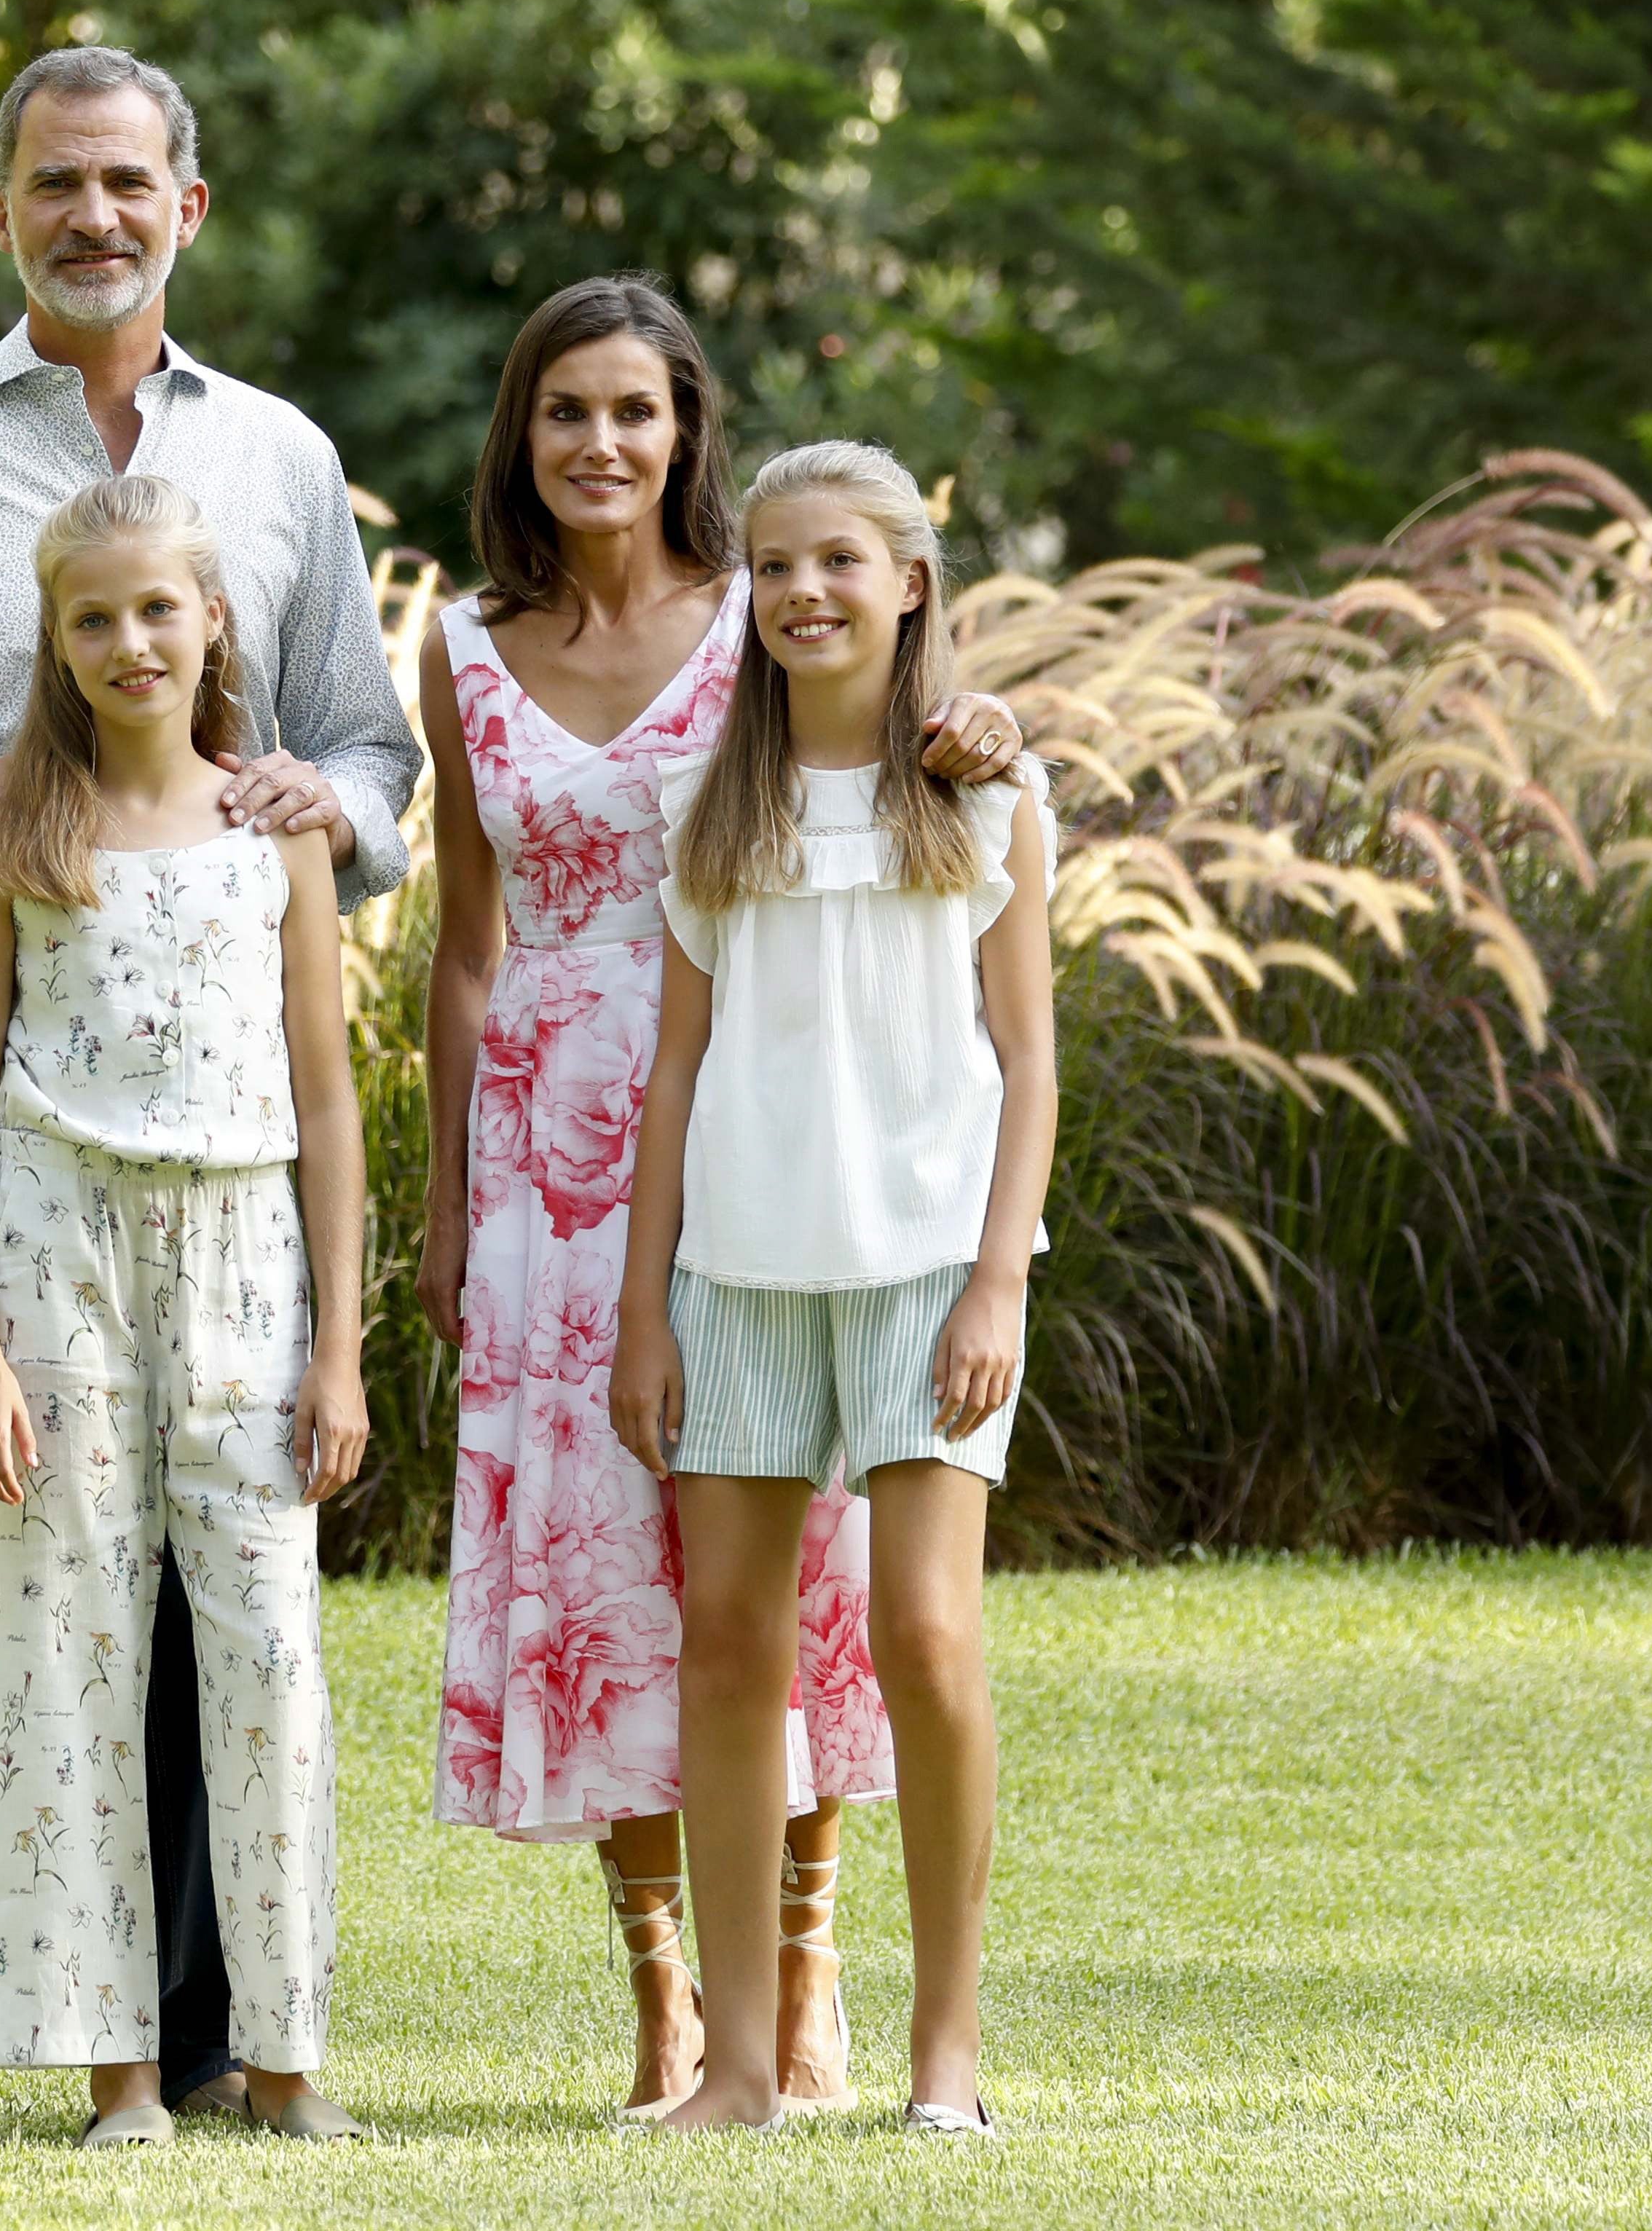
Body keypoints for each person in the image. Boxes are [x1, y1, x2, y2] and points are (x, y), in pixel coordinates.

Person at [0, 47, 422, 2144]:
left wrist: (333, 805)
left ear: (187, 207)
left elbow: (371, 754)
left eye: (129, 182)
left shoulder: (285, 465)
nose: (93, 216)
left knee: (217, 1552)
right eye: (55, 185)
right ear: (1, 211)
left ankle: (199, 2031)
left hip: (212, 1065)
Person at [413, 277, 1026, 2122]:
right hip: (552, 1151)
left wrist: (980, 718)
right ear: (519, 437)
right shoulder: (461, 649)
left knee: (820, 1585)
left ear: (688, 433)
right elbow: (458, 947)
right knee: (609, 1571)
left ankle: (814, 1960)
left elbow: (895, 708)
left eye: (635, 411)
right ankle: (668, 2000)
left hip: (785, 1138)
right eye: (561, 413)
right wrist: (451, 1197)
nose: (598, 444)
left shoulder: (757, 620)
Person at [612, 440, 1059, 2138]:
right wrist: (644, 1308)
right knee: (727, 1650)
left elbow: (1026, 1063)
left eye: (840, 564)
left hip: (931, 1273)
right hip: (735, 1272)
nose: (804, 593)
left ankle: (946, 2055)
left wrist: (997, 1287)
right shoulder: (705, 810)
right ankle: (738, 2069)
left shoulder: (987, 797)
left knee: (925, 1636)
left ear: (910, 583)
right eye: (775, 567)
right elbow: (671, 1077)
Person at [0, 473, 372, 2148]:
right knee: (66, 1649)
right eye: (93, 616)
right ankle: (117, 2072)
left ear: (210, 625)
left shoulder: (278, 842)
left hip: (247, 1256)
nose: (129, 640)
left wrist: (338, 1342)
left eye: (156, 609)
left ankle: (284, 2063)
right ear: (55, 642)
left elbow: (328, 1100)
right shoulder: (10, 842)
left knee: (267, 1650)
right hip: (60, 1261)